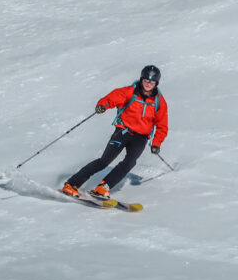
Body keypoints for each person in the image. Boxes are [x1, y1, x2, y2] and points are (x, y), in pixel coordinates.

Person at [60, 65, 168, 199]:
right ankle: (71, 185)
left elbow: (162, 125)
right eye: (146, 80)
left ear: (156, 83)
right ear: (141, 79)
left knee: (130, 162)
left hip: (141, 138)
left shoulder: (159, 101)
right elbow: (113, 98)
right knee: (104, 161)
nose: (148, 84)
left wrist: (156, 143)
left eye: (152, 82)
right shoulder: (130, 92)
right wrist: (103, 105)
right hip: (123, 132)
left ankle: (103, 187)